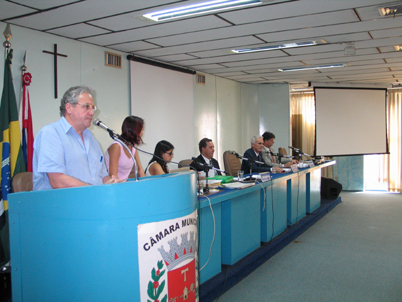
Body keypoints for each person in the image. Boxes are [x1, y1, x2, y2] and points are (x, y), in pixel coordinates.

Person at [33, 85, 124, 191]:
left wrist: (112, 184)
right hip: (59, 204)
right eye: (86, 106)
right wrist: (94, 191)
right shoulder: (51, 134)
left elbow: (103, 176)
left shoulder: (92, 140)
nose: (92, 113)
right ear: (69, 108)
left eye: (93, 108)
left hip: (91, 200)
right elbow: (56, 181)